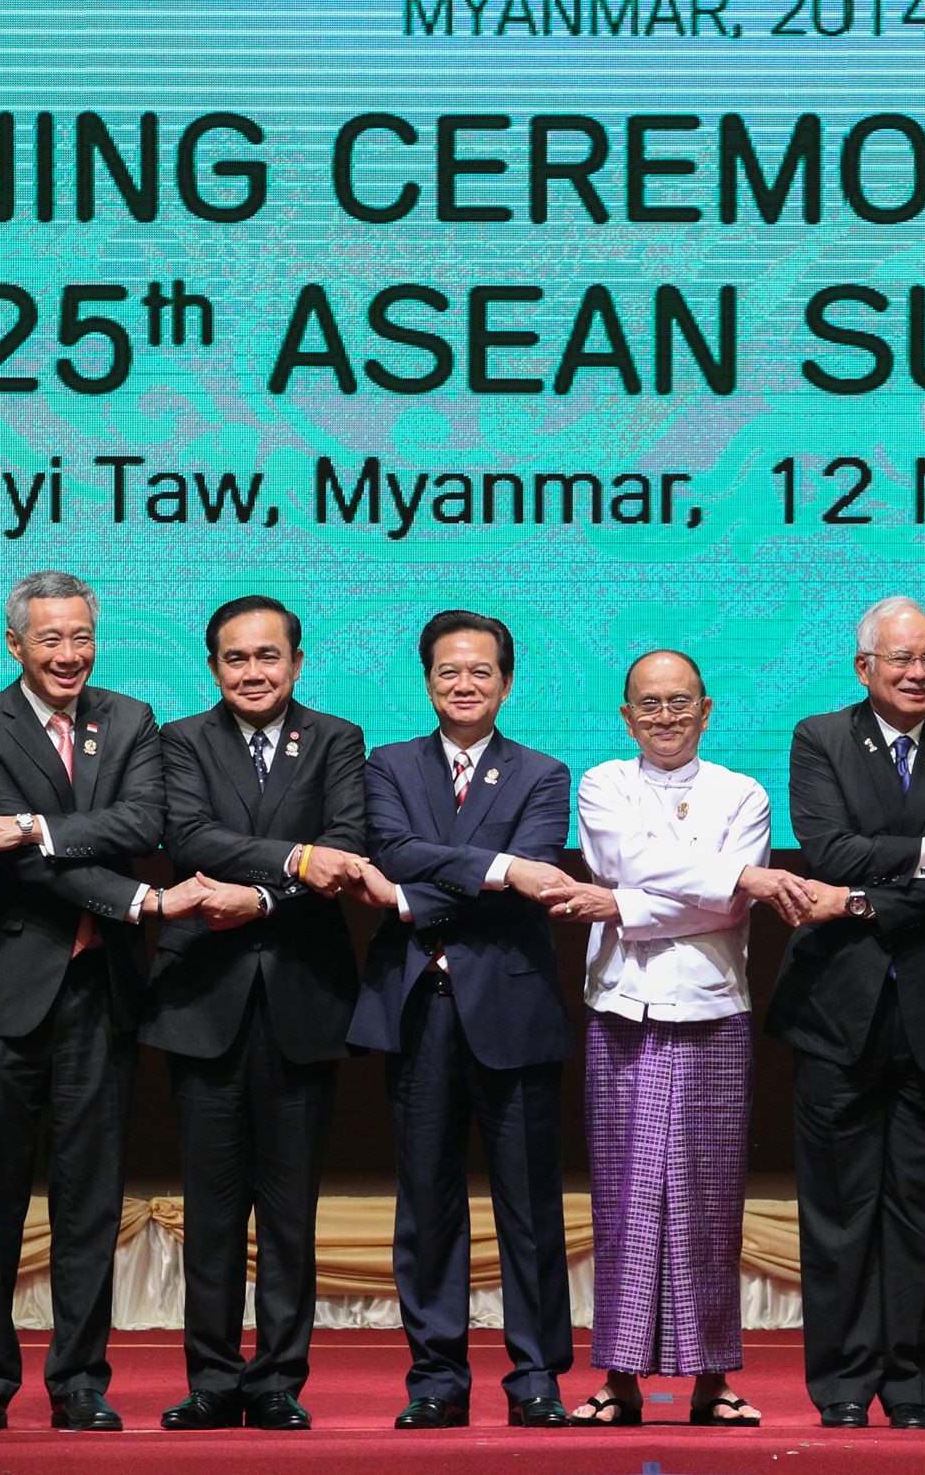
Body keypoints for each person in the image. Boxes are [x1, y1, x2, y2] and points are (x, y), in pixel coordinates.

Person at [768, 595, 925, 1431]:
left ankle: (912, 1385)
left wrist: (859, 904)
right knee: (838, 1209)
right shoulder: (821, 738)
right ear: (865, 668)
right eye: (904, 659)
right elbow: (828, 850)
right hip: (836, 1008)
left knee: (923, 1209)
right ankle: (842, 1380)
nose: (920, 673)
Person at [550, 650, 815, 1429]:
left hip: (712, 1010)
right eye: (649, 704)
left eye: (679, 702)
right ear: (628, 716)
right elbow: (632, 860)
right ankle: (620, 1378)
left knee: (707, 1197)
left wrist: (626, 906)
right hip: (622, 1011)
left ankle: (712, 1378)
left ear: (707, 710)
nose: (665, 716)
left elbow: (721, 911)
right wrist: (736, 878)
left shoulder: (745, 792)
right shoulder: (603, 784)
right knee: (625, 1197)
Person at [0, 570, 174, 1434]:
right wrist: (141, 898)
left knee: (91, 1199)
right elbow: (25, 868)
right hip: (6, 994)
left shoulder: (133, 719)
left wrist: (38, 823)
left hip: (100, 988)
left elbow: (144, 820)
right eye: (50, 640)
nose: (69, 654)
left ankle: (80, 1379)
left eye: (81, 636)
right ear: (15, 645)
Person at [345, 610, 578, 1430]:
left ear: (506, 683)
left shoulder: (545, 774)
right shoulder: (389, 764)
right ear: (428, 680)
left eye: (481, 671)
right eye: (449, 671)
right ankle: (436, 1376)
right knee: (429, 1205)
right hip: (418, 1007)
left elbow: (532, 871)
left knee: (529, 1205)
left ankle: (537, 1376)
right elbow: (391, 846)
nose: (465, 684)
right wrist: (499, 866)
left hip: (510, 1006)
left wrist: (413, 896)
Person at [146, 595, 373, 1432]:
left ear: (297, 661)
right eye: (236, 658)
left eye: (268, 656)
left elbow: (348, 843)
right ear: (213, 667)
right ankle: (211, 1378)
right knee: (210, 1208)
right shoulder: (180, 740)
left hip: (303, 999)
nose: (253, 671)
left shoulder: (339, 739)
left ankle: (276, 1378)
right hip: (202, 1001)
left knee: (288, 1209)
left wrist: (260, 898)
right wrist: (292, 863)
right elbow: (191, 838)